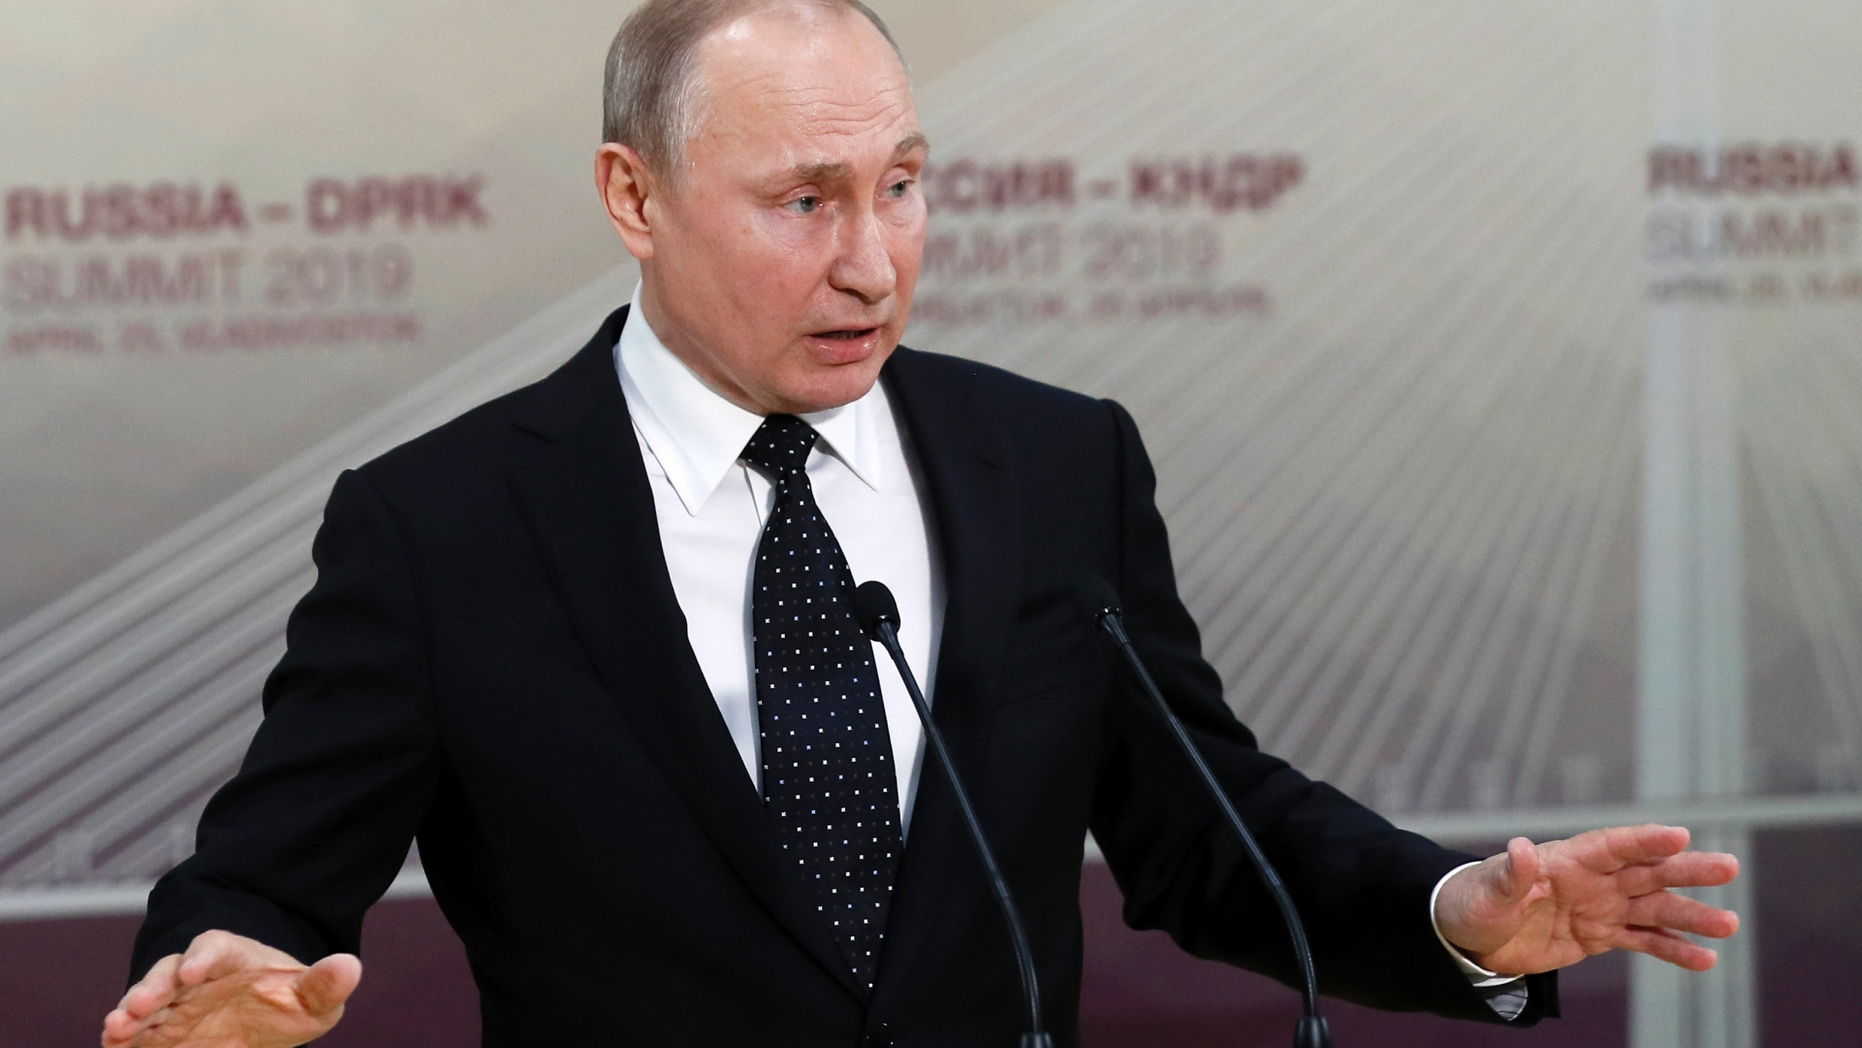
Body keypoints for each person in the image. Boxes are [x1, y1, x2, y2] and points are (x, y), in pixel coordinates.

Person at [101, 2, 1740, 1046]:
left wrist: (1457, 915)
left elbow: (1205, 831)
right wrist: (222, 972)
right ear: (631, 197)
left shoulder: (1051, 461)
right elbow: (267, 872)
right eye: (802, 201)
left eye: (902, 183)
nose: (875, 260)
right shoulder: (442, 525)